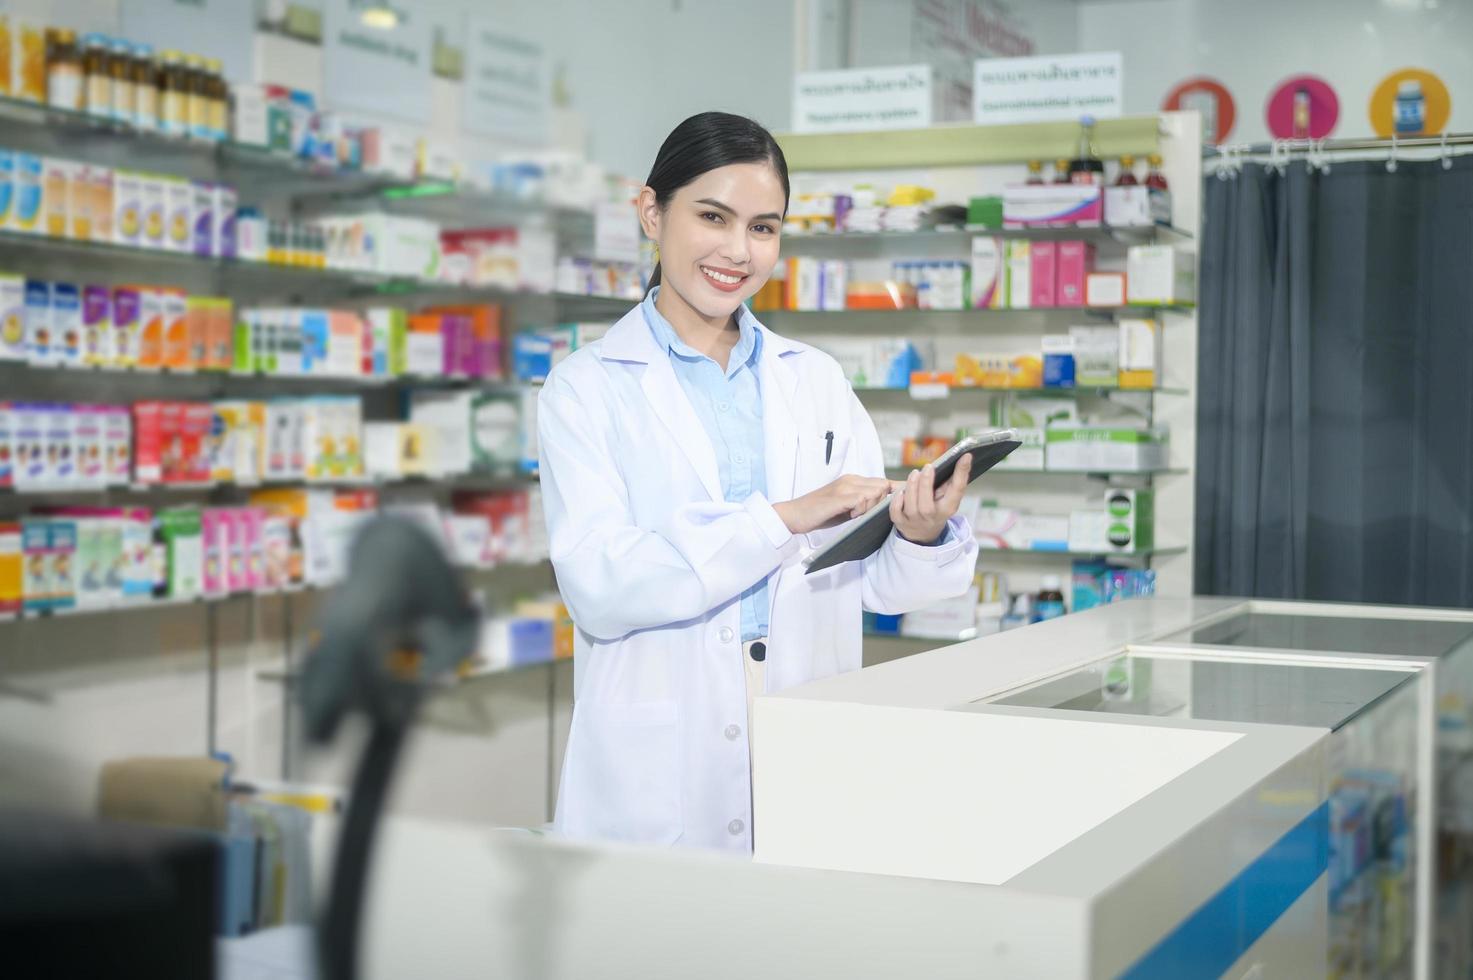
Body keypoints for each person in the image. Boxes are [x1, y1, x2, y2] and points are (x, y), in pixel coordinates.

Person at [538, 111, 978, 853]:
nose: (737, 251)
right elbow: (601, 585)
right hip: (662, 744)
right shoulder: (584, 390)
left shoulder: (816, 381)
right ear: (652, 211)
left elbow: (872, 587)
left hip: (803, 714)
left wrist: (916, 533)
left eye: (763, 227)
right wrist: (784, 517)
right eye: (713, 217)